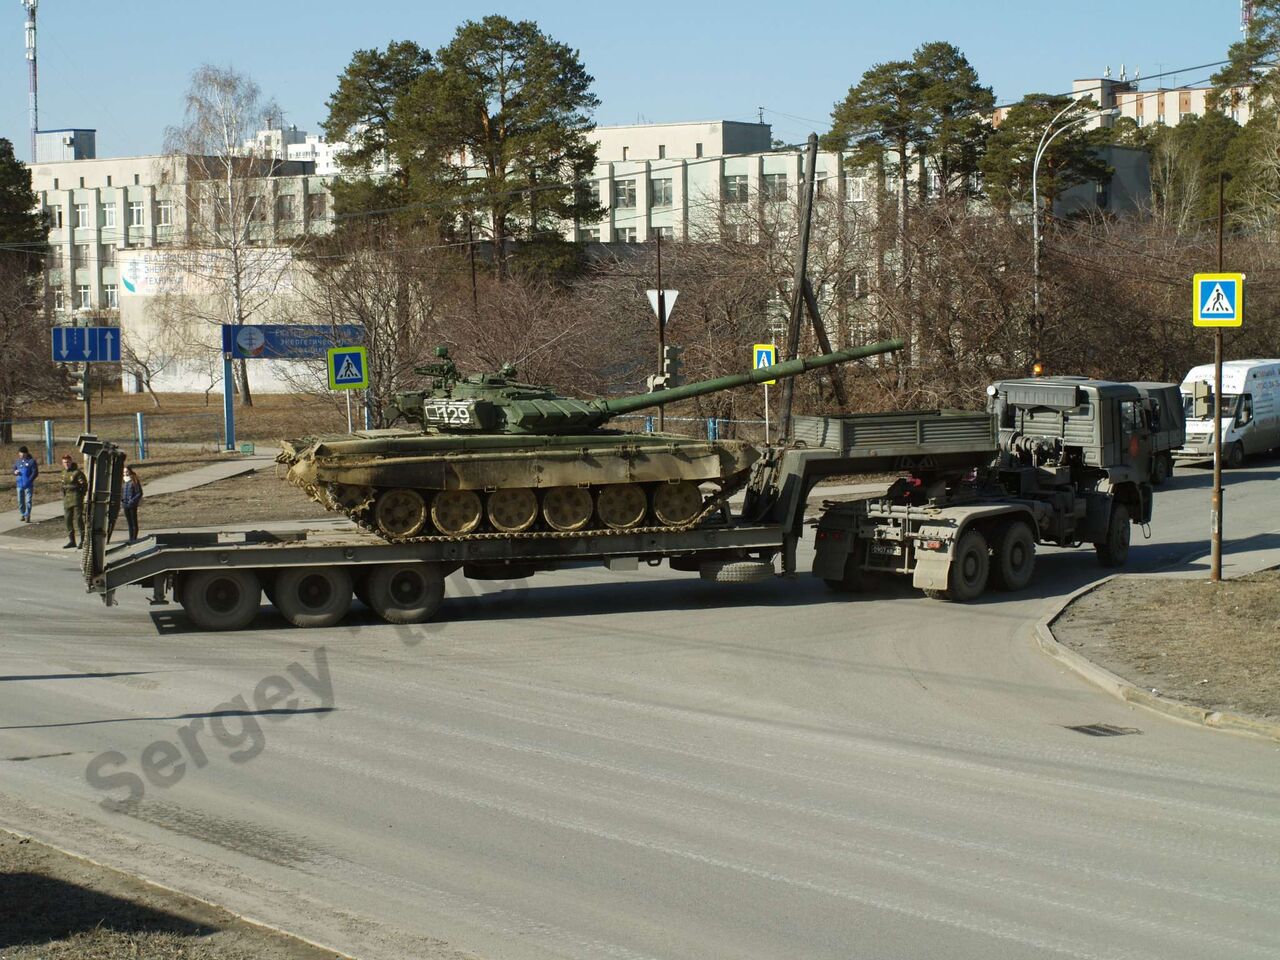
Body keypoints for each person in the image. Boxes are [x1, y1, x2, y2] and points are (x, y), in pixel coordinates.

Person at [60, 454, 87, 549]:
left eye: (68, 462)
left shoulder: (77, 473)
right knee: (67, 520)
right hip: (67, 499)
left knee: (79, 519)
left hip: (76, 498)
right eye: (64, 462)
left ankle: (83, 541)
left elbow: (84, 485)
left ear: (71, 462)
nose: (66, 464)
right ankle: (72, 541)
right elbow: (62, 486)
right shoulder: (63, 473)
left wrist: (81, 495)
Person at [12, 445, 38, 522]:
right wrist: (15, 472)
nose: (22, 455)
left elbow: (35, 472)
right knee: (20, 501)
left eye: (24, 453)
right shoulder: (17, 461)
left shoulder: (31, 461)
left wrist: (29, 480)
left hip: (28, 485)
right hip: (19, 485)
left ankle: (27, 515)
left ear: (27, 453)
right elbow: (14, 469)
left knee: (28, 501)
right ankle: (23, 514)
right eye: (20, 453)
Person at [121, 465, 143, 542]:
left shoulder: (134, 480)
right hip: (125, 504)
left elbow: (139, 493)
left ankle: (134, 538)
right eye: (124, 472)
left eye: (126, 471)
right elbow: (121, 492)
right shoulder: (123, 481)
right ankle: (131, 538)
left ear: (130, 471)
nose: (125, 473)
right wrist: (122, 500)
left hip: (132, 504)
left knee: (134, 522)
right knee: (129, 523)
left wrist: (132, 501)